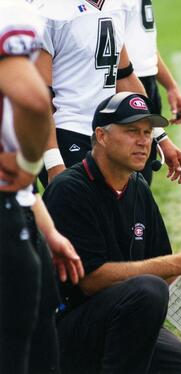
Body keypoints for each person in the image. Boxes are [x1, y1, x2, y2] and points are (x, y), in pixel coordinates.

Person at [44, 92, 181, 374]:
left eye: (147, 132)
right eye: (131, 131)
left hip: (128, 325)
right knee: (148, 289)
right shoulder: (69, 189)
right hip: (67, 335)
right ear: (101, 136)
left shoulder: (138, 186)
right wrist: (178, 263)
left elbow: (163, 273)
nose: (143, 141)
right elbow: (91, 282)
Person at [0, 2, 84, 373]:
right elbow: (35, 101)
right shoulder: (12, 12)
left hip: (19, 209)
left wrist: (46, 228)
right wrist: (30, 164)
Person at [32, 0, 181, 187]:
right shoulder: (47, 13)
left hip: (108, 133)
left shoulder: (116, 5)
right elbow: (39, 99)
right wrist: (53, 163)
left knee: (127, 209)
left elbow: (124, 76)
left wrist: (160, 137)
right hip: (67, 132)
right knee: (84, 213)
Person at [125, 0, 181, 184]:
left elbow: (143, 44)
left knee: (140, 186)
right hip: (123, 88)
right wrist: (160, 135)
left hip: (146, 84)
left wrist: (170, 86)